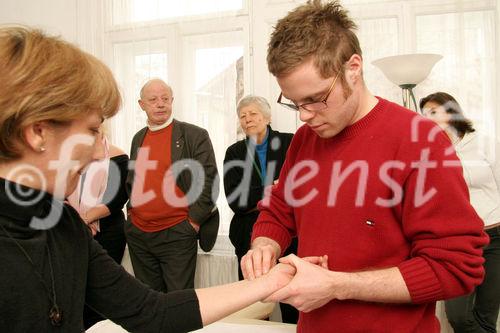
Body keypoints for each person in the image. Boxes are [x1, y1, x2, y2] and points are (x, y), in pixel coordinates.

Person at [0, 25, 297, 332]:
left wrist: (270, 281)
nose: (101, 154)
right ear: (37, 132)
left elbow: (152, 312)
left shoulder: (65, 226)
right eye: (92, 131)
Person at [240, 1, 489, 332]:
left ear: (352, 68)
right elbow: (280, 210)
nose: (304, 114)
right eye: (295, 102)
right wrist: (264, 246)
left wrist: (337, 285)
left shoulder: (421, 141)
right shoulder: (304, 139)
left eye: (315, 98)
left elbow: (456, 268)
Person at [126, 78, 219, 293]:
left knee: (179, 303)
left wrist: (193, 223)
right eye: (153, 99)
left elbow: (208, 181)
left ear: (172, 101)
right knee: (148, 302)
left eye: (165, 99)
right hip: (139, 235)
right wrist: (131, 217)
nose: (160, 104)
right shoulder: (138, 138)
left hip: (177, 233)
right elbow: (134, 181)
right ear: (141, 104)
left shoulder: (194, 135)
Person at [421, 92, 500, 333]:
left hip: (496, 235)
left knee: (486, 316)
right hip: (461, 242)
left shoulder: (482, 143)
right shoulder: (430, 152)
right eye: (424, 115)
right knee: (458, 316)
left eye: (434, 112)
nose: (428, 118)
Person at [223, 95, 298, 323]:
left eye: (253, 114)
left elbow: (299, 189)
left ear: (267, 116)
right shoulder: (235, 152)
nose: (247, 119)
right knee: (253, 307)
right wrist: (274, 188)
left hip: (290, 235)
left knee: (293, 304)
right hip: (247, 236)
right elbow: (237, 200)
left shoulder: (291, 142)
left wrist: (259, 191)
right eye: (243, 116)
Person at [67, 132, 129, 328]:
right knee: (75, 288)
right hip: (70, 229)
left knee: (101, 291)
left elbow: (117, 198)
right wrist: (78, 221)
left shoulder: (118, 157)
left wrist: (86, 219)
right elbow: (59, 191)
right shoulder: (67, 155)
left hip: (108, 233)